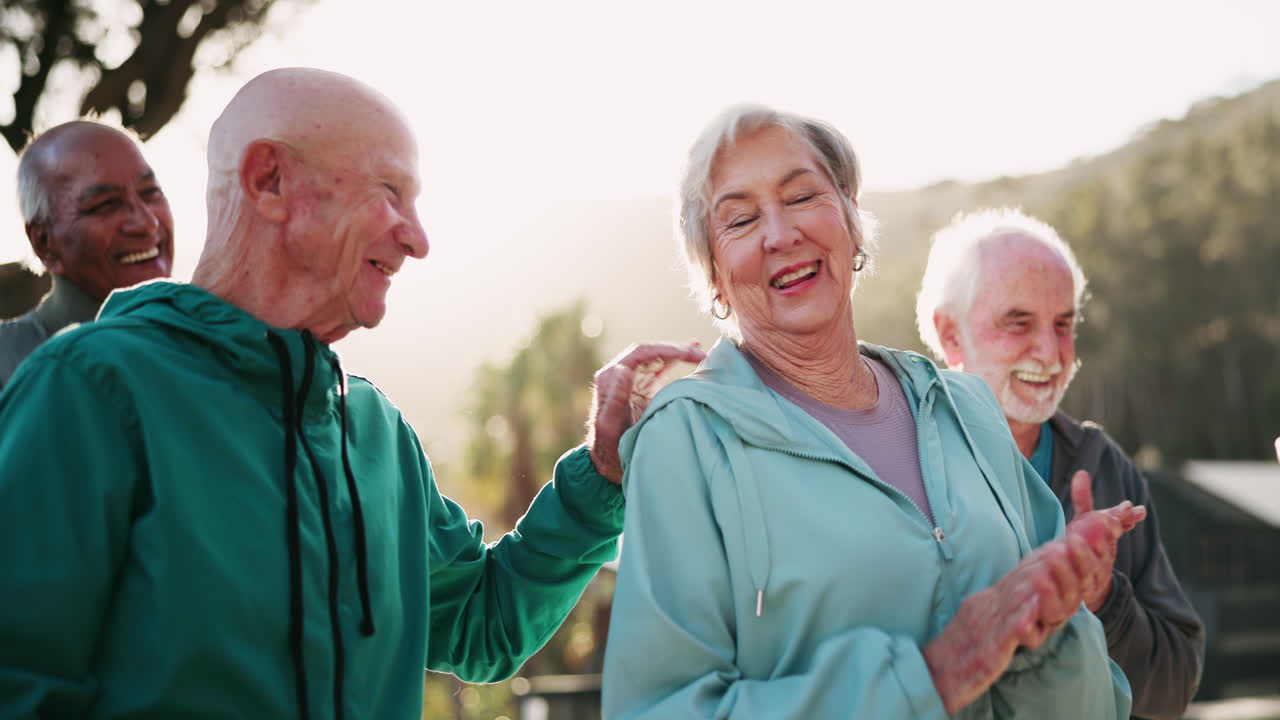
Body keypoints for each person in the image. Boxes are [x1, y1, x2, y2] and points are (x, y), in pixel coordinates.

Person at [0, 68, 702, 719]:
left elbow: (482, 625)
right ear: (269, 181)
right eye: (389, 193)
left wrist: (601, 474)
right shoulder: (89, 388)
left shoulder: (372, 428)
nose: (419, 240)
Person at [602, 105, 1145, 720]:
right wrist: (930, 678)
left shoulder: (967, 407)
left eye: (803, 196)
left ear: (852, 222)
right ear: (715, 278)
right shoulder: (686, 440)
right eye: (741, 219)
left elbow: (1095, 701)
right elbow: (658, 710)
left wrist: (1056, 631)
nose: (780, 234)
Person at [916, 208, 1205, 719]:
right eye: (1018, 322)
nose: (1050, 352)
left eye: (1064, 324)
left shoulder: (1106, 470)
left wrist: (1102, 598)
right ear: (951, 334)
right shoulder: (899, 459)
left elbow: (1176, 686)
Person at [0, 120, 174, 389]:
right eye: (106, 205)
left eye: (150, 193)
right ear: (44, 242)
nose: (147, 223)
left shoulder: (212, 347)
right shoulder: (10, 366)